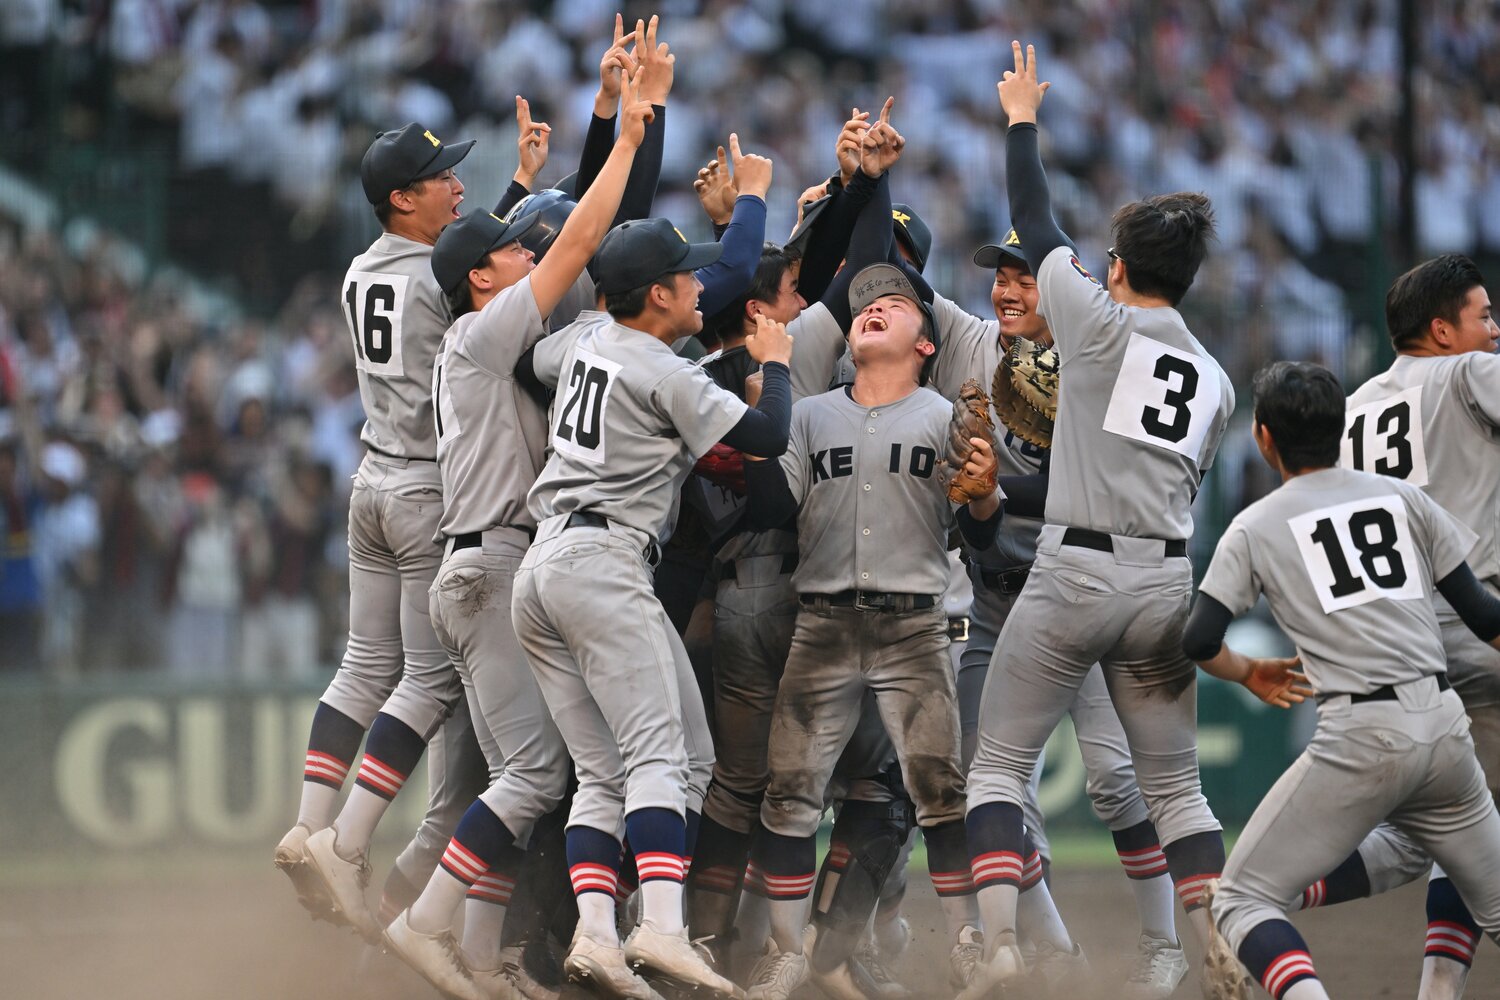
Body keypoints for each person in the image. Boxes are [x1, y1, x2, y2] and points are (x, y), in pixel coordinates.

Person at [961, 42, 1235, 997]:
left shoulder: (1096, 323)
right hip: (1164, 581)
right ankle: (1214, 945)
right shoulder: (1217, 380)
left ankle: (1001, 947)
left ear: (1114, 268)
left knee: (998, 765)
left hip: (1073, 576)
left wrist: (1022, 117)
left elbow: (1035, 218)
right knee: (1176, 790)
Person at [379, 72, 657, 1000]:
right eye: (507, 251)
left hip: (482, 565)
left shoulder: (477, 342)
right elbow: (579, 240)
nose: (524, 255)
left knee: (516, 777)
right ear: (481, 280)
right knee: (535, 774)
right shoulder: (485, 333)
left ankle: (478, 951)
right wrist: (626, 141)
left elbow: (568, 237)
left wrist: (606, 123)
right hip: (491, 562)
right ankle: (421, 924)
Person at [511, 216, 795, 1000]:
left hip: (545, 564)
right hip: (604, 562)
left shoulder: (583, 338)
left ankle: (597, 936)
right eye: (688, 275)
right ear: (658, 294)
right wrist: (776, 364)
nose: (703, 285)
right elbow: (769, 433)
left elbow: (533, 361)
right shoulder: (666, 372)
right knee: (657, 756)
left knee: (641, 764)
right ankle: (662, 928)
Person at [1185, 360, 1500, 1000]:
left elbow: (1198, 639)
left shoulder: (1256, 524)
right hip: (1445, 725)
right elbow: (1484, 616)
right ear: (1341, 430)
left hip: (1362, 732)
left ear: (1264, 437)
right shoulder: (1405, 498)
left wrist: (1247, 672)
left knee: (1241, 899)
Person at [737, 261, 998, 1000]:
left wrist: (985, 497)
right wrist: (758, 429)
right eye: (863, 306)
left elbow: (981, 536)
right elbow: (770, 508)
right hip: (820, 621)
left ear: (926, 343)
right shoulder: (811, 414)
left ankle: (967, 943)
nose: (873, 308)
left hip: (914, 624)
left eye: (894, 304)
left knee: (939, 788)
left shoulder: (947, 417)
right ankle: (788, 951)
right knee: (790, 792)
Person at [944, 229, 1186, 996]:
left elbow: (1097, 490)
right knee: (989, 779)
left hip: (1085, 592)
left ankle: (1164, 944)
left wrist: (997, 489)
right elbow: (978, 533)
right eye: (1001, 278)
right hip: (998, 602)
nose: (1007, 291)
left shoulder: (1105, 366)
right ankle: (1044, 952)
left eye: (1025, 279)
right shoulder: (981, 355)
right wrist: (981, 502)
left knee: (1115, 779)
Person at [275, 118, 482, 940]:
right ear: (401, 198)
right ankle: (349, 844)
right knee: (428, 680)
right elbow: (481, 269)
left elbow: (466, 248)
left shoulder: (360, 268)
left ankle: (307, 824)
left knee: (364, 664)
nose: (456, 187)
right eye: (440, 179)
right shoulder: (439, 276)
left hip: (371, 478)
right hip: (426, 487)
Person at [1277, 254, 1500, 1000]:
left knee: (1426, 833)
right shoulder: (1469, 373)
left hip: (1397, 640)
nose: (1495, 330)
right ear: (1442, 331)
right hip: (1480, 622)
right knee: (1472, 835)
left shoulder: (1356, 407)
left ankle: (1269, 893)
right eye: (1484, 316)